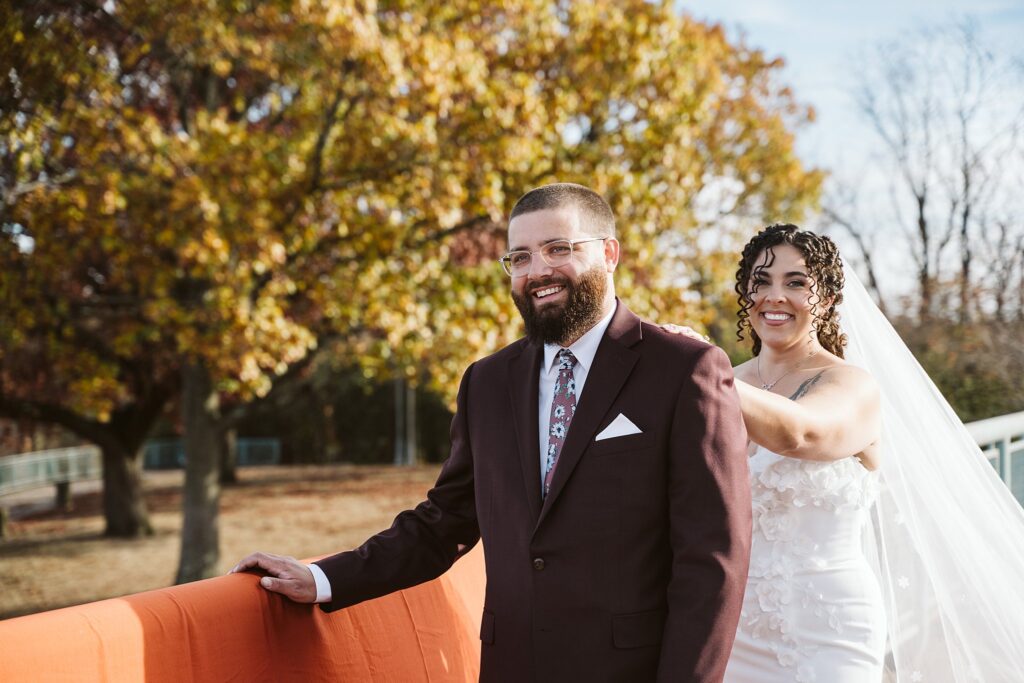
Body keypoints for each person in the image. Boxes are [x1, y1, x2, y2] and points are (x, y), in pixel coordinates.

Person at [231, 182, 752, 682]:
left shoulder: (685, 370)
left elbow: (712, 560)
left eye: (557, 248)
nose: (537, 270)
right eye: (519, 257)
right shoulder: (486, 381)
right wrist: (321, 579)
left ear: (609, 253)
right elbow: (442, 525)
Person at [666, 223, 1024, 682]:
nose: (774, 296)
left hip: (827, 628)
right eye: (761, 281)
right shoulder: (724, 378)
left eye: (796, 283)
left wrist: (701, 367)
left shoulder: (851, 385)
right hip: (730, 626)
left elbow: (802, 434)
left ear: (829, 300)